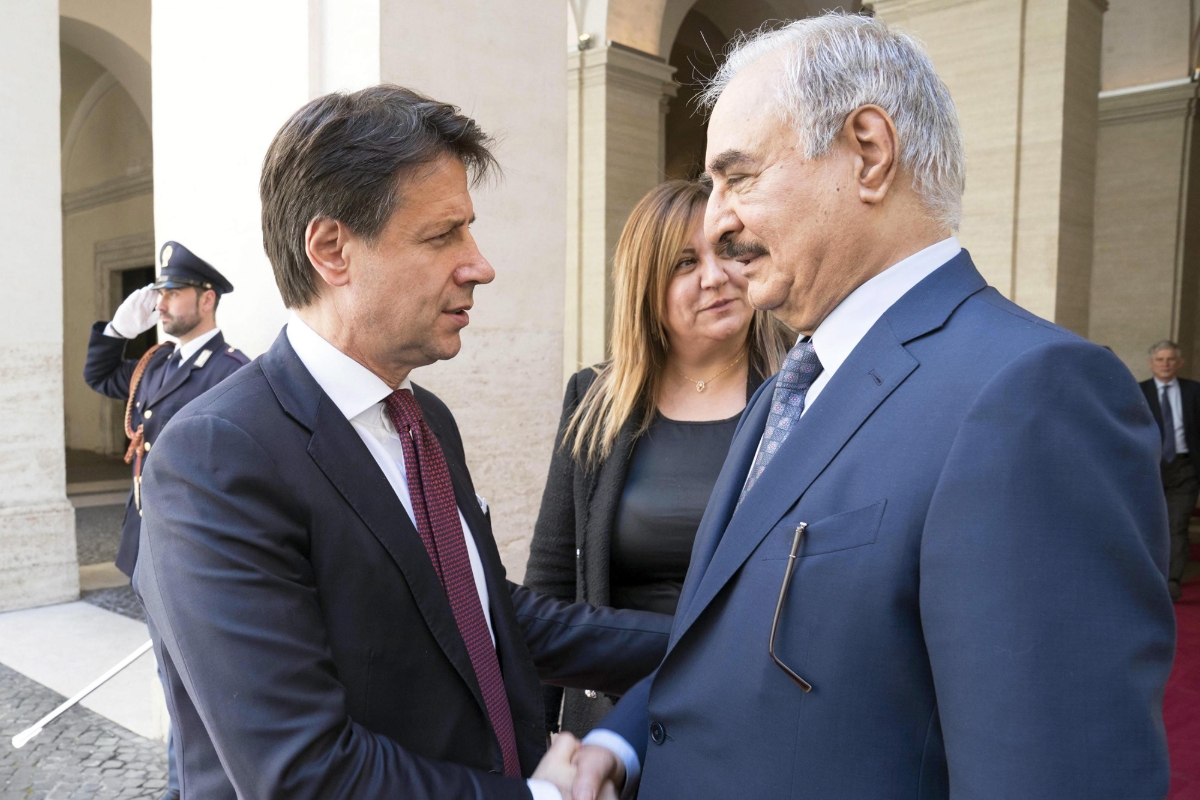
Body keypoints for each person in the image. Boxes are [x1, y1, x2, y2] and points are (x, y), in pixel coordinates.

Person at [569, 13, 1175, 800]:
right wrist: (626, 739)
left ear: (868, 152)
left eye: (738, 176)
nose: (715, 221)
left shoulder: (1032, 396)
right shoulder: (797, 382)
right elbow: (734, 643)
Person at [134, 85, 670, 800]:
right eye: (443, 235)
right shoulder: (216, 456)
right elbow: (303, 773)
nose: (480, 265)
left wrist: (701, 636)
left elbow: (478, 614)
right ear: (332, 249)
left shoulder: (425, 421)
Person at [525, 179, 789, 736]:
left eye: (728, 251)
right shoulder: (595, 399)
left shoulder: (802, 388)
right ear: (647, 285)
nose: (715, 276)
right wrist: (537, 736)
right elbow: (550, 577)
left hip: (756, 714)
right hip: (617, 717)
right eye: (684, 262)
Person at [83, 241, 248, 579]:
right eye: (159, 294)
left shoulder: (231, 371)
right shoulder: (156, 363)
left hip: (192, 545)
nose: (160, 304)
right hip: (143, 538)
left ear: (206, 299)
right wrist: (117, 330)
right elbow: (100, 377)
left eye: (172, 293)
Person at [1141, 340, 1198, 601]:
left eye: (1170, 359)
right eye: (1160, 359)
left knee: (1177, 524)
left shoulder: (1194, 392)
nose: (1165, 364)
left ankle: (1171, 581)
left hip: (1185, 467)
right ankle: (1148, 577)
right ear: (1151, 363)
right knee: (1149, 523)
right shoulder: (1138, 392)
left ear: (1180, 363)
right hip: (1150, 468)